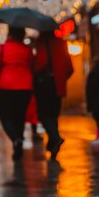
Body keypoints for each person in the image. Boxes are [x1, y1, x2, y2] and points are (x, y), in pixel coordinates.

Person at [0, 26, 34, 161]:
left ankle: (16, 139)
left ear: (9, 33)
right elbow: (32, 65)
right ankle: (18, 145)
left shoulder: (1, 48)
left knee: (5, 115)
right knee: (19, 116)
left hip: (7, 86)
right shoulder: (27, 49)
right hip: (25, 86)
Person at [34, 31, 74, 160]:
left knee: (44, 115)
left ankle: (55, 138)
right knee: (53, 115)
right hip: (58, 85)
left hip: (44, 85)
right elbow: (70, 68)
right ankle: (52, 147)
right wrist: (61, 78)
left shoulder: (40, 43)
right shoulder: (61, 43)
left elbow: (40, 63)